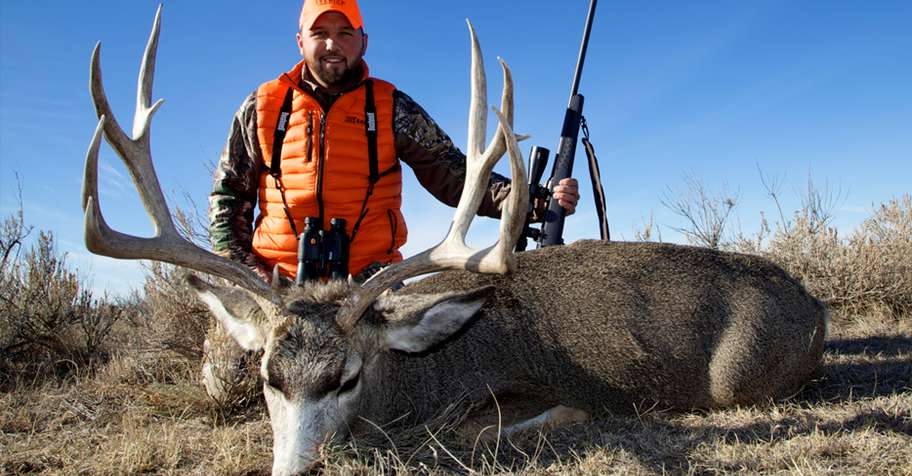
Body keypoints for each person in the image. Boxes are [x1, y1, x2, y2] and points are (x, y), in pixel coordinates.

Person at [201, 0, 579, 402]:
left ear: (363, 42)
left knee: (398, 388)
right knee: (225, 387)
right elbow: (227, 200)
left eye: (345, 33)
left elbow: (453, 175)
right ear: (300, 41)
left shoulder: (389, 107)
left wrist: (535, 202)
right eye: (320, 33)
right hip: (278, 291)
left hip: (368, 289)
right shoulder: (263, 107)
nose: (332, 44)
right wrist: (251, 280)